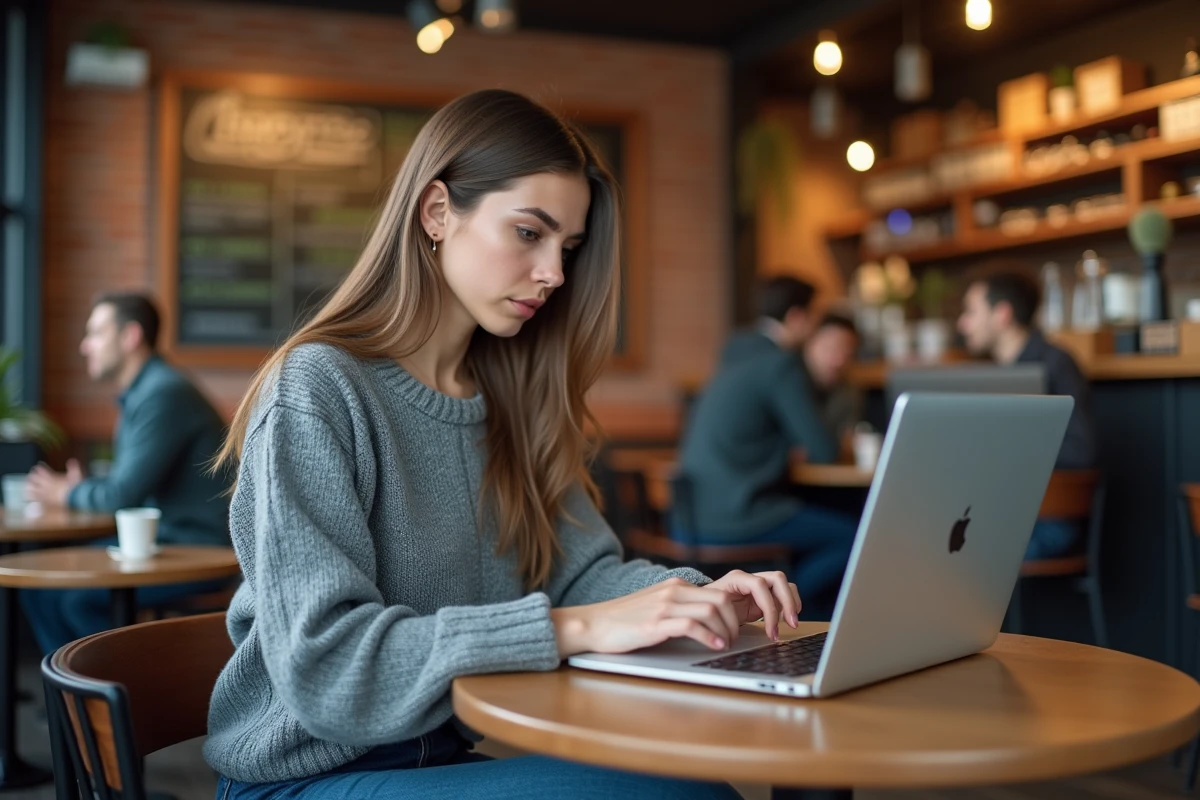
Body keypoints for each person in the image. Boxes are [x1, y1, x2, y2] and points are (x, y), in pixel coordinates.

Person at [203, 89, 797, 800]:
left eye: (568, 248)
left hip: (436, 761)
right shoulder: (318, 388)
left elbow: (583, 578)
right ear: (436, 212)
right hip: (306, 778)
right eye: (528, 233)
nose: (554, 273)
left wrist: (692, 598)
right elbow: (329, 669)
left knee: (687, 785)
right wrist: (577, 628)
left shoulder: (513, 398)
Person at [20, 293, 232, 654]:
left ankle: (125, 699)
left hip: (199, 548)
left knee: (74, 599)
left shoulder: (163, 394)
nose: (85, 346)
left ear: (131, 337)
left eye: (96, 333)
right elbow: (126, 484)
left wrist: (66, 493)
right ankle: (77, 704)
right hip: (165, 541)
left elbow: (122, 495)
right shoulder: (147, 391)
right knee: (40, 590)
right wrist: (82, 488)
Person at [676, 276, 857, 619]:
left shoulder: (736, 353)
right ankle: (783, 602)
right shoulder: (780, 363)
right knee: (855, 535)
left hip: (691, 516)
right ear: (797, 318)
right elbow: (822, 449)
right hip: (737, 511)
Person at [957, 268, 1099, 559]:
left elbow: (1083, 451)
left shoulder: (1055, 364)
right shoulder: (999, 375)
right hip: (1006, 515)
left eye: (971, 311)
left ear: (1002, 314)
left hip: (1047, 521)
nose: (962, 323)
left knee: (956, 555)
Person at [803, 312, 863, 443]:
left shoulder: (848, 392)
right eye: (831, 349)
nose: (839, 361)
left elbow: (848, 440)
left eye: (847, 354)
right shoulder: (786, 385)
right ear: (809, 343)